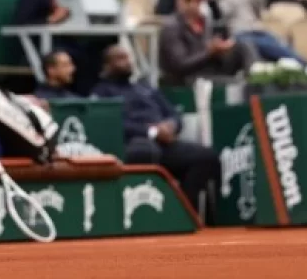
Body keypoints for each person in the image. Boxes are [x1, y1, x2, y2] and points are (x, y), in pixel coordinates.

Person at [93, 44, 221, 217]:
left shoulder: (145, 87)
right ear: (108, 65)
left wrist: (171, 125)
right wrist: (151, 132)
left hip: (165, 142)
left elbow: (173, 113)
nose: (127, 62)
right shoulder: (102, 92)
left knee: (206, 158)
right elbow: (111, 124)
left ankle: (186, 214)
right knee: (145, 151)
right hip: (132, 144)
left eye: (128, 57)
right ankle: (144, 217)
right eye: (120, 58)